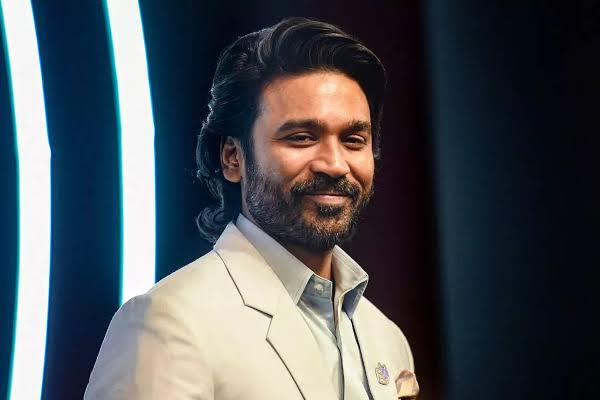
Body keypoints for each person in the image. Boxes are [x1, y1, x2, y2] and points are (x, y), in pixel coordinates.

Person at [85, 17, 418, 400]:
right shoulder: (167, 323)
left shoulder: (386, 339)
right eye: (301, 137)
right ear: (233, 157)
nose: (334, 164)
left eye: (353, 139)